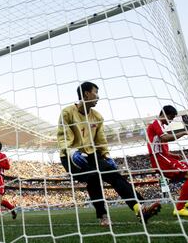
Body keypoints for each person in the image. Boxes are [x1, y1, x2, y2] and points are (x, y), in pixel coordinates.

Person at [57, 81, 161, 226]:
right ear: (86, 94)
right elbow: (63, 135)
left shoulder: (97, 117)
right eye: (96, 92)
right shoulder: (67, 112)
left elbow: (100, 139)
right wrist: (71, 151)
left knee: (115, 175)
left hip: (91, 153)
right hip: (70, 155)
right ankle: (103, 216)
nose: (98, 97)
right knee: (93, 177)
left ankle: (140, 208)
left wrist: (106, 155)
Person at [146, 105, 188, 217]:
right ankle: (179, 208)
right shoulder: (156, 123)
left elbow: (159, 146)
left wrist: (173, 155)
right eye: (171, 117)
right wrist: (184, 133)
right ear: (164, 114)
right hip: (159, 160)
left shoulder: (160, 126)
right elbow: (165, 138)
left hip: (164, 158)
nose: (172, 120)